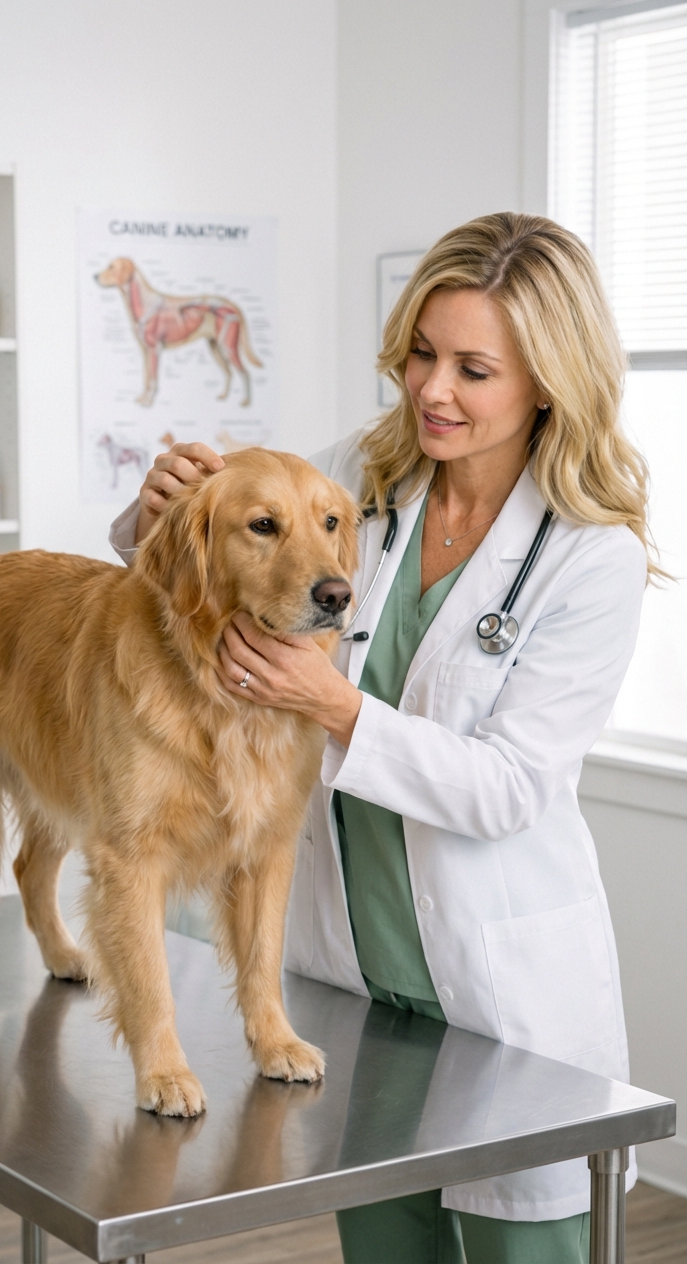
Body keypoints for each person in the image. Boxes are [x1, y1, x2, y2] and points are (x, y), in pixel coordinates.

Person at [110, 212, 658, 1264]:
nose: (428, 389)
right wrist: (154, 511)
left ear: (547, 378)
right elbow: (204, 554)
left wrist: (336, 708)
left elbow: (509, 788)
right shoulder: (362, 475)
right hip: (360, 995)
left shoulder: (587, 556)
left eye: (471, 368)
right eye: (417, 353)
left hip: (502, 1005)